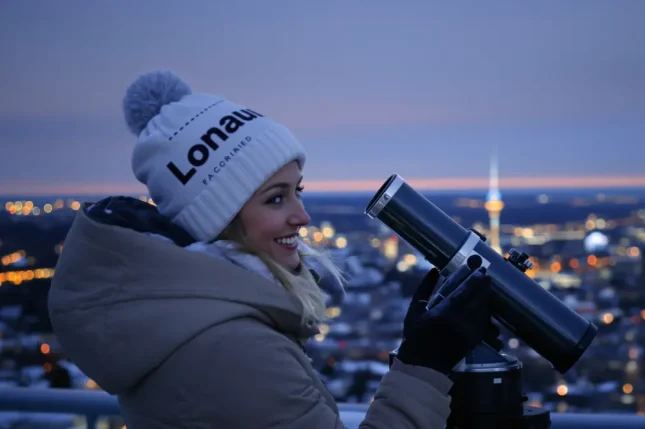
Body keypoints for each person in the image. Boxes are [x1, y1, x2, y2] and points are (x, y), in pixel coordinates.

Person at [48, 70, 500, 429]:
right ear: (217, 218)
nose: (301, 216)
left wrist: (417, 352)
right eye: (276, 198)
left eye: (297, 191)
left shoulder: (192, 320)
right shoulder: (233, 347)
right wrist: (425, 364)